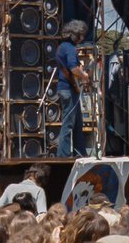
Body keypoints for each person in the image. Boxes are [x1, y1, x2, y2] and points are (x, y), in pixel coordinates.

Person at [55, 19, 91, 158]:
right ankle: (63, 155)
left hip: (68, 89)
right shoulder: (69, 48)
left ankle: (80, 152)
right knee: (69, 124)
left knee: (77, 123)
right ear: (76, 34)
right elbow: (73, 68)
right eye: (81, 35)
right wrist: (84, 76)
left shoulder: (62, 47)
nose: (82, 38)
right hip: (68, 89)